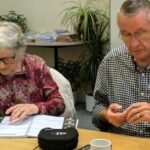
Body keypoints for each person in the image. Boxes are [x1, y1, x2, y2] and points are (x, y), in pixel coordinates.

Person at [92, 0, 150, 138]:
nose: (134, 44)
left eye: (140, 33)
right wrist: (107, 115)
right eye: (126, 34)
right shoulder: (112, 61)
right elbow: (97, 107)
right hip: (122, 141)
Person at [0, 21, 65, 123]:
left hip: (33, 132)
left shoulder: (36, 66)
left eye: (7, 59)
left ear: (20, 52)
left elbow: (59, 104)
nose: (1, 66)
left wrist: (36, 107)